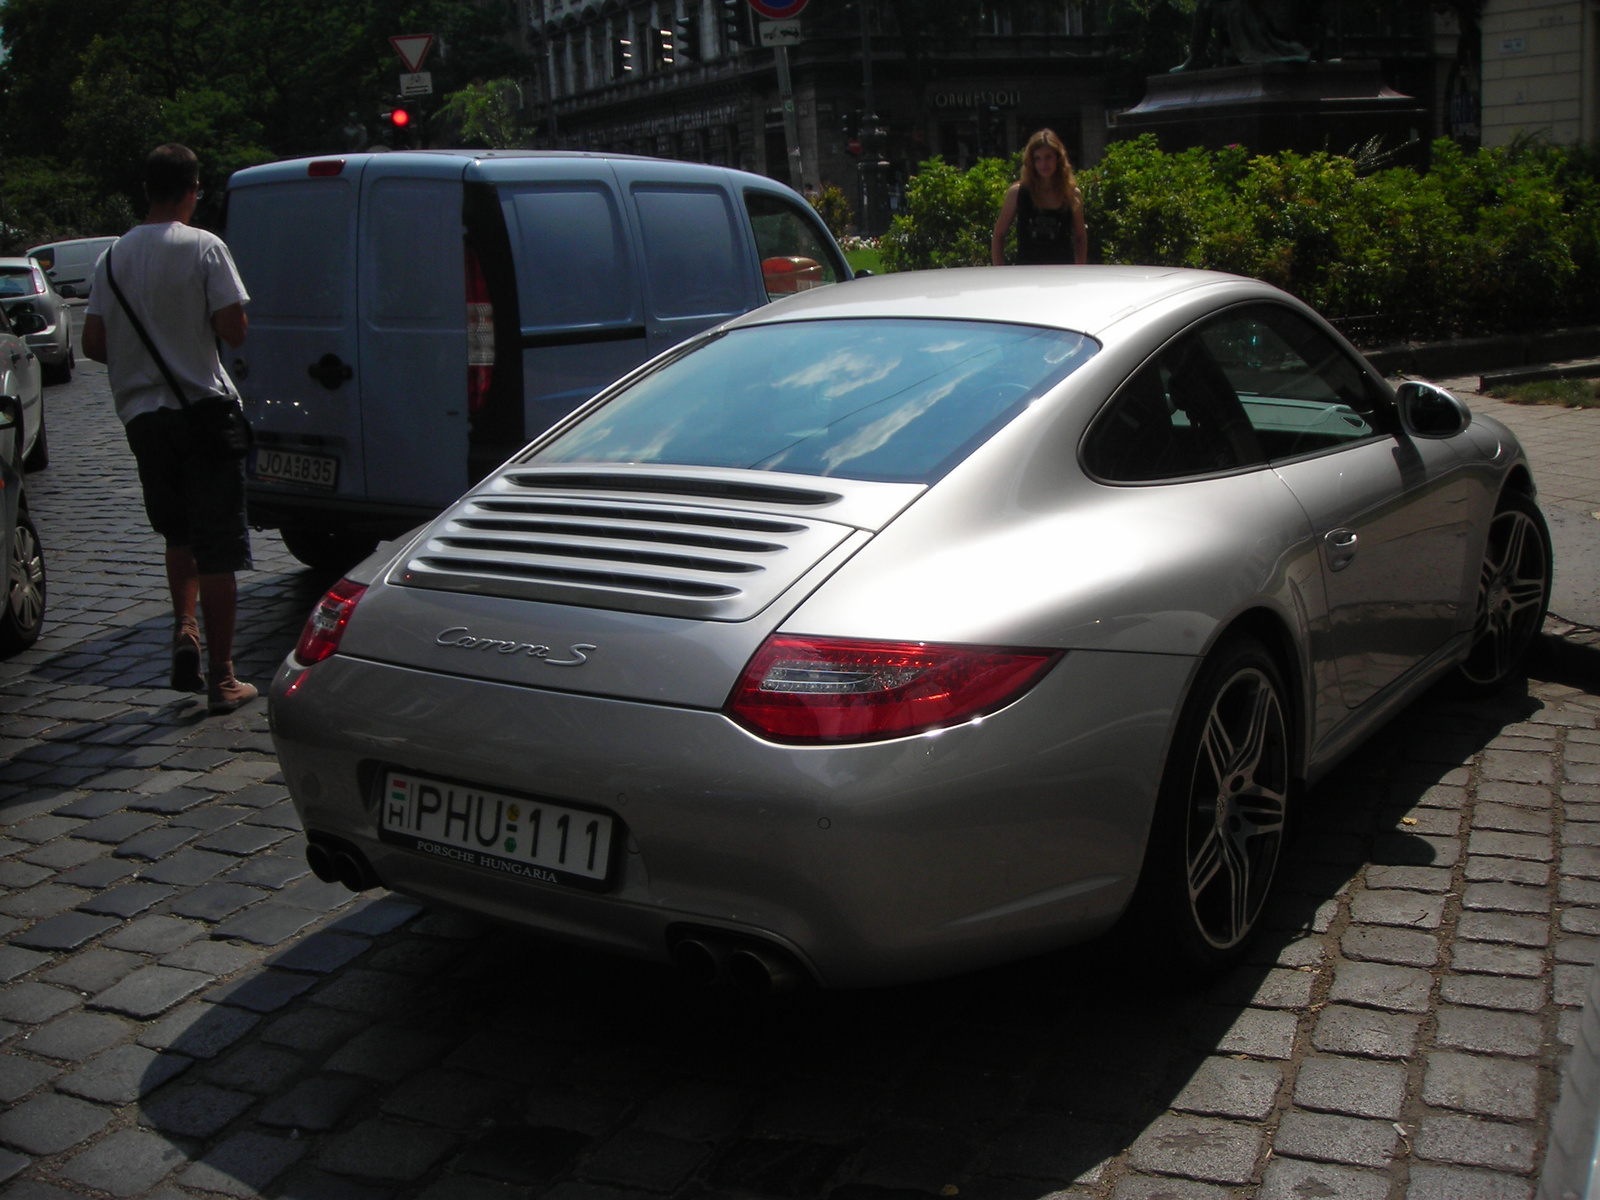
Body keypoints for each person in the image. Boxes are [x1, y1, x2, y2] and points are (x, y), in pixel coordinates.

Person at [82, 144, 257, 715]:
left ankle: (186, 629)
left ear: (145, 189)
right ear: (191, 190)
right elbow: (234, 331)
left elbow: (92, 344)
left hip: (143, 420)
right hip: (204, 411)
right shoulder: (206, 247)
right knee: (219, 549)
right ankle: (224, 677)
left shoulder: (112, 257)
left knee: (177, 535)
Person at [991, 129, 1088, 267]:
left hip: (1063, 275)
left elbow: (1080, 237)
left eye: (1048, 157)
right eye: (1038, 158)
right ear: (1032, 161)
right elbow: (999, 235)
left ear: (1058, 158)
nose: (1044, 164)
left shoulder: (1072, 195)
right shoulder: (1017, 193)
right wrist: (999, 270)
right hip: (1026, 275)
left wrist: (1080, 270)